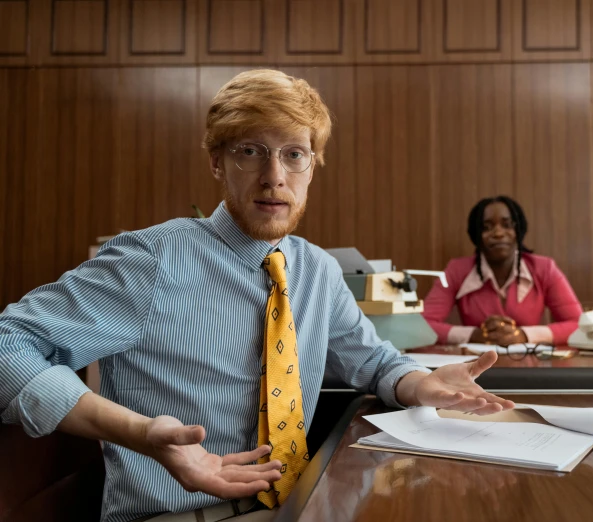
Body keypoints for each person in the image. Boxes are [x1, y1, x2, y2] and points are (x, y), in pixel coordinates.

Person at [0, 70, 515, 522]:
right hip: (183, 515)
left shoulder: (316, 268)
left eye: (294, 154)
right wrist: (138, 432)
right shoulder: (152, 261)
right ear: (217, 163)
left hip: (298, 504)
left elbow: (374, 361)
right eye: (251, 151)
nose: (275, 177)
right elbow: (7, 346)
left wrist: (422, 384)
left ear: (313, 167)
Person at [423, 196, 582, 347]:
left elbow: (578, 324)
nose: (498, 233)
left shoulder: (545, 268)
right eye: (486, 227)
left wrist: (523, 335)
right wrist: (475, 335)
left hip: (530, 367)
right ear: (476, 235)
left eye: (507, 225)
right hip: (475, 366)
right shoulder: (456, 270)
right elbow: (423, 325)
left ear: (518, 231)